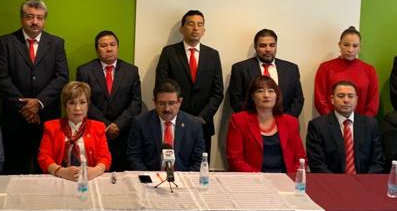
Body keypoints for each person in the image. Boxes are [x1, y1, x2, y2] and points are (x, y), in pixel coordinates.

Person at [0, 0, 69, 174]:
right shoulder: (6, 42)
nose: (35, 22)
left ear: (45, 20)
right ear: (21, 18)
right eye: (30, 17)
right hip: (15, 119)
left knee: (46, 171)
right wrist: (26, 107)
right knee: (14, 170)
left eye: (39, 17)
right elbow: (1, 77)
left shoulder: (57, 43)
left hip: (46, 117)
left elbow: (62, 76)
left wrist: (39, 103)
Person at [154, 10, 224, 160]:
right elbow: (161, 86)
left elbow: (218, 91)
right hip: (174, 120)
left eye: (199, 24)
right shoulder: (169, 53)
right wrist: (175, 114)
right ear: (182, 28)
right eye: (191, 24)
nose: (195, 28)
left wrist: (203, 118)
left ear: (204, 30)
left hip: (203, 123)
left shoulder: (213, 55)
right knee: (173, 164)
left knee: (200, 165)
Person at [75, 30, 144, 172]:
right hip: (95, 131)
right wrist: (106, 126)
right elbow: (84, 102)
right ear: (97, 50)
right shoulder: (84, 71)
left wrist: (118, 125)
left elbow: (136, 102)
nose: (109, 49)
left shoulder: (131, 71)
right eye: (104, 45)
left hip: (124, 133)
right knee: (97, 172)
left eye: (112, 45)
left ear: (117, 47)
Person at [226, 75, 305, 173]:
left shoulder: (291, 122)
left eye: (271, 91)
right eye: (260, 91)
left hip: (285, 178)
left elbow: (300, 158)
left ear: (277, 95)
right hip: (252, 178)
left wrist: (291, 177)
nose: (266, 95)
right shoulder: (238, 120)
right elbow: (235, 159)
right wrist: (258, 177)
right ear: (252, 96)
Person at [306, 81, 384, 173]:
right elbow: (317, 164)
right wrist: (337, 182)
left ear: (356, 100)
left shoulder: (370, 124)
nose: (346, 100)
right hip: (330, 180)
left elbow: (377, 162)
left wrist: (365, 180)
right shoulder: (318, 126)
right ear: (332, 99)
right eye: (341, 96)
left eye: (350, 96)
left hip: (365, 179)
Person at [38, 81, 111, 181]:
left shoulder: (98, 127)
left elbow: (105, 157)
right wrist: (61, 171)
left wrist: (95, 171)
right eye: (72, 103)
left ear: (88, 105)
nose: (77, 108)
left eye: (82, 102)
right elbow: (44, 157)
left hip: (89, 180)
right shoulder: (51, 127)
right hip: (60, 179)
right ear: (65, 106)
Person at [127, 79, 205, 171]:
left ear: (180, 102)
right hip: (151, 176)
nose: (167, 109)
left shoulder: (194, 125)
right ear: (154, 102)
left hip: (183, 176)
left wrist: (183, 177)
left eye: (171, 103)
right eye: (162, 103)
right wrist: (150, 177)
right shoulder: (140, 123)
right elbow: (134, 158)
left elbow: (199, 160)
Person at [229, 28, 304, 117]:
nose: (268, 49)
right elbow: (236, 100)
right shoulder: (240, 69)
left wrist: (285, 121)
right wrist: (255, 121)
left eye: (272, 45)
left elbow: (298, 99)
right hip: (251, 122)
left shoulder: (291, 69)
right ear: (255, 47)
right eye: (262, 46)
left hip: (285, 121)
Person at [313, 26, 379, 117]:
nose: (350, 50)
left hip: (361, 122)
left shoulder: (369, 70)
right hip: (331, 122)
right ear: (339, 45)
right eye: (346, 45)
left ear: (360, 47)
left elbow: (373, 102)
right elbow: (320, 100)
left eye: (355, 46)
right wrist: (333, 121)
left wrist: (363, 122)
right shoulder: (325, 68)